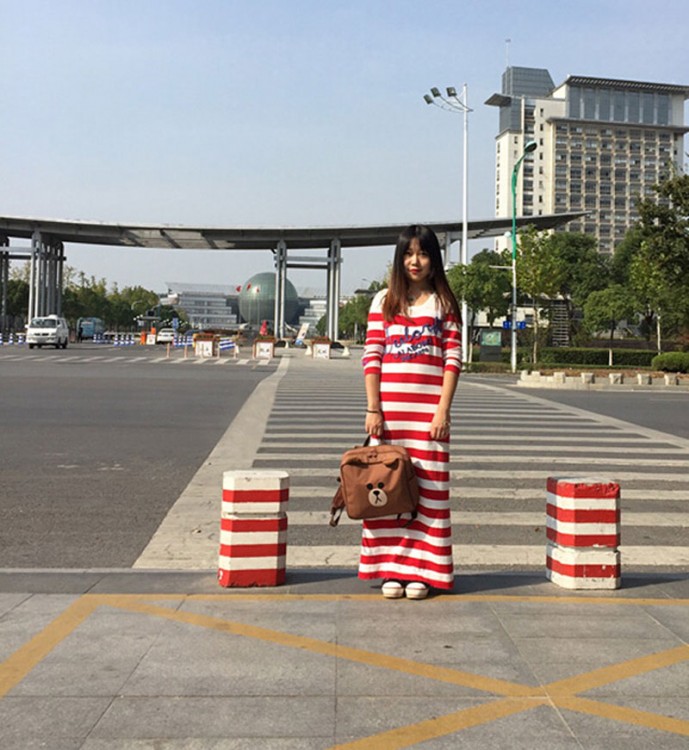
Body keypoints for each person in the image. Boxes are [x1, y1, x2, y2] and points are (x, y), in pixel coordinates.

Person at [360, 224, 461, 600]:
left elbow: (452, 361)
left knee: (429, 494)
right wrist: (374, 409)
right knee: (384, 492)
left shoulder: (445, 304)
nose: (414, 261)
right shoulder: (383, 302)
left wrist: (442, 411)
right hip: (388, 417)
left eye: (422, 253)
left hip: (428, 418)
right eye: (407, 254)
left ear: (434, 260)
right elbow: (372, 357)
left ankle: (424, 571)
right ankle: (390, 570)